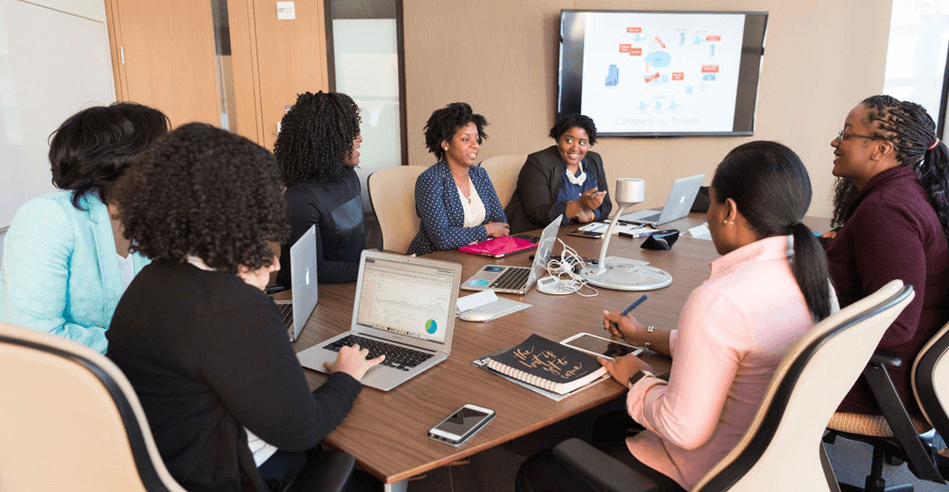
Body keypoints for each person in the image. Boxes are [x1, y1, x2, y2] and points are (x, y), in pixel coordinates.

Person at [516, 141, 835, 492]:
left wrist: (637, 376)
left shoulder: (719, 299)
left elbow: (683, 428)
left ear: (728, 210)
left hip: (707, 474)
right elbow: (732, 347)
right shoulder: (815, 279)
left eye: (711, 202)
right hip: (774, 467)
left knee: (536, 471)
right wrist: (644, 336)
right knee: (608, 425)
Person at [106, 123, 384, 492]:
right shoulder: (229, 307)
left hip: (172, 468)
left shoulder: (151, 281)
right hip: (239, 475)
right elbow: (302, 428)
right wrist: (346, 377)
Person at [0, 102, 168, 353]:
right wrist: (145, 346)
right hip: (63, 378)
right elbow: (35, 335)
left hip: (138, 368)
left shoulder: (151, 215)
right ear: (124, 160)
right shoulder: (48, 217)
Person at [824, 95, 949, 417]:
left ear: (880, 150)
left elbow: (894, 324)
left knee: (735, 359)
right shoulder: (901, 193)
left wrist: (803, 327)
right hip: (892, 371)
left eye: (847, 134)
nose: (835, 141)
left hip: (879, 382)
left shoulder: (886, 210)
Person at [274, 91, 365, 285]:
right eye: (349, 133)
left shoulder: (349, 176)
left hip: (349, 284)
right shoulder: (301, 200)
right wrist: (372, 271)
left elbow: (355, 249)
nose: (359, 138)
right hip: (310, 294)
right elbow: (314, 270)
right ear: (327, 141)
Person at [407, 102, 509, 256]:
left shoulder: (480, 175)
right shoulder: (430, 180)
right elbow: (442, 239)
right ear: (446, 144)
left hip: (476, 256)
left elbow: (502, 226)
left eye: (477, 138)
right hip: (436, 261)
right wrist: (487, 229)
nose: (475, 145)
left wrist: (487, 231)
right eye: (466, 139)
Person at [505, 113, 612, 234]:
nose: (575, 148)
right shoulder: (538, 163)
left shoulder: (594, 161)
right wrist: (579, 205)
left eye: (582, 142)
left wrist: (589, 215)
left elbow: (606, 205)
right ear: (558, 139)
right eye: (569, 140)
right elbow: (538, 214)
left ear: (589, 144)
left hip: (576, 234)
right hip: (536, 237)